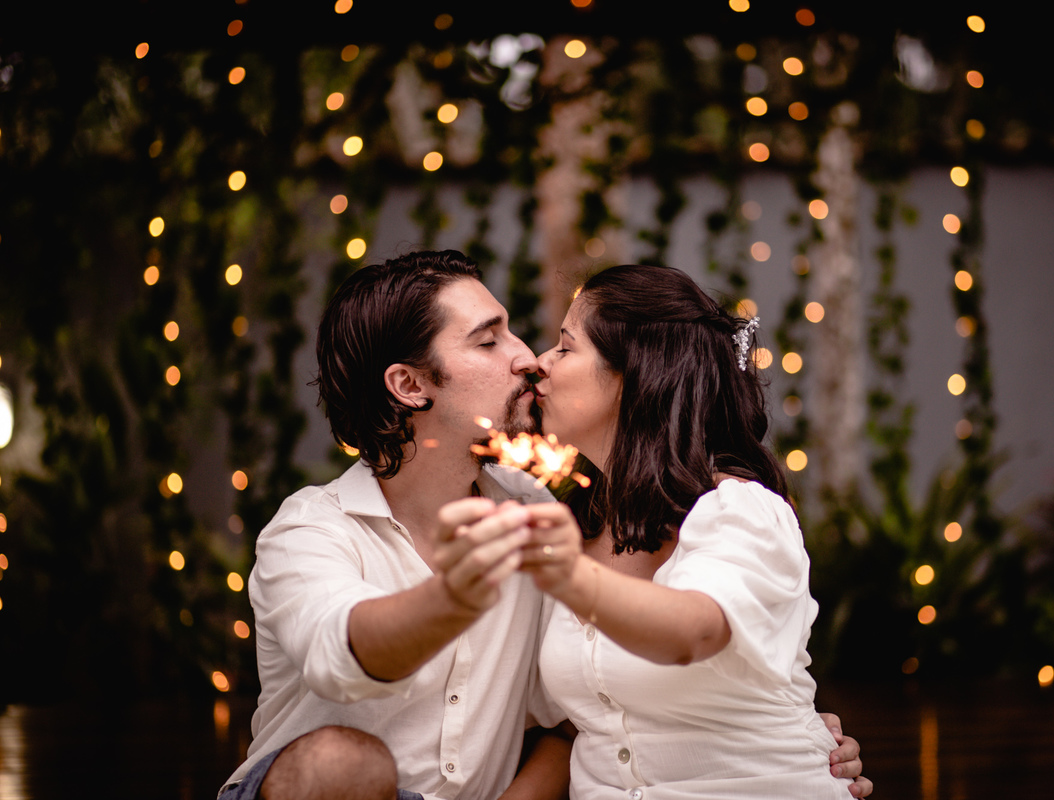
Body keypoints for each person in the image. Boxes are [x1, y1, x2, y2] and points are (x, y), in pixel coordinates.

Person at [220, 251, 868, 799]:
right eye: (488, 339)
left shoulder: (554, 514)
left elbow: (582, 717)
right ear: (410, 385)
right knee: (342, 763)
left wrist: (782, 732)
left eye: (555, 343)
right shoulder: (309, 530)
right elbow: (347, 656)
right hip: (315, 789)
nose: (529, 359)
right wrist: (458, 595)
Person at [446, 263, 872, 798]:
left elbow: (696, 630)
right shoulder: (575, 516)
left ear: (636, 376)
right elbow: (577, 718)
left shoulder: (738, 510)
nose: (538, 363)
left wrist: (566, 574)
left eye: (565, 346)